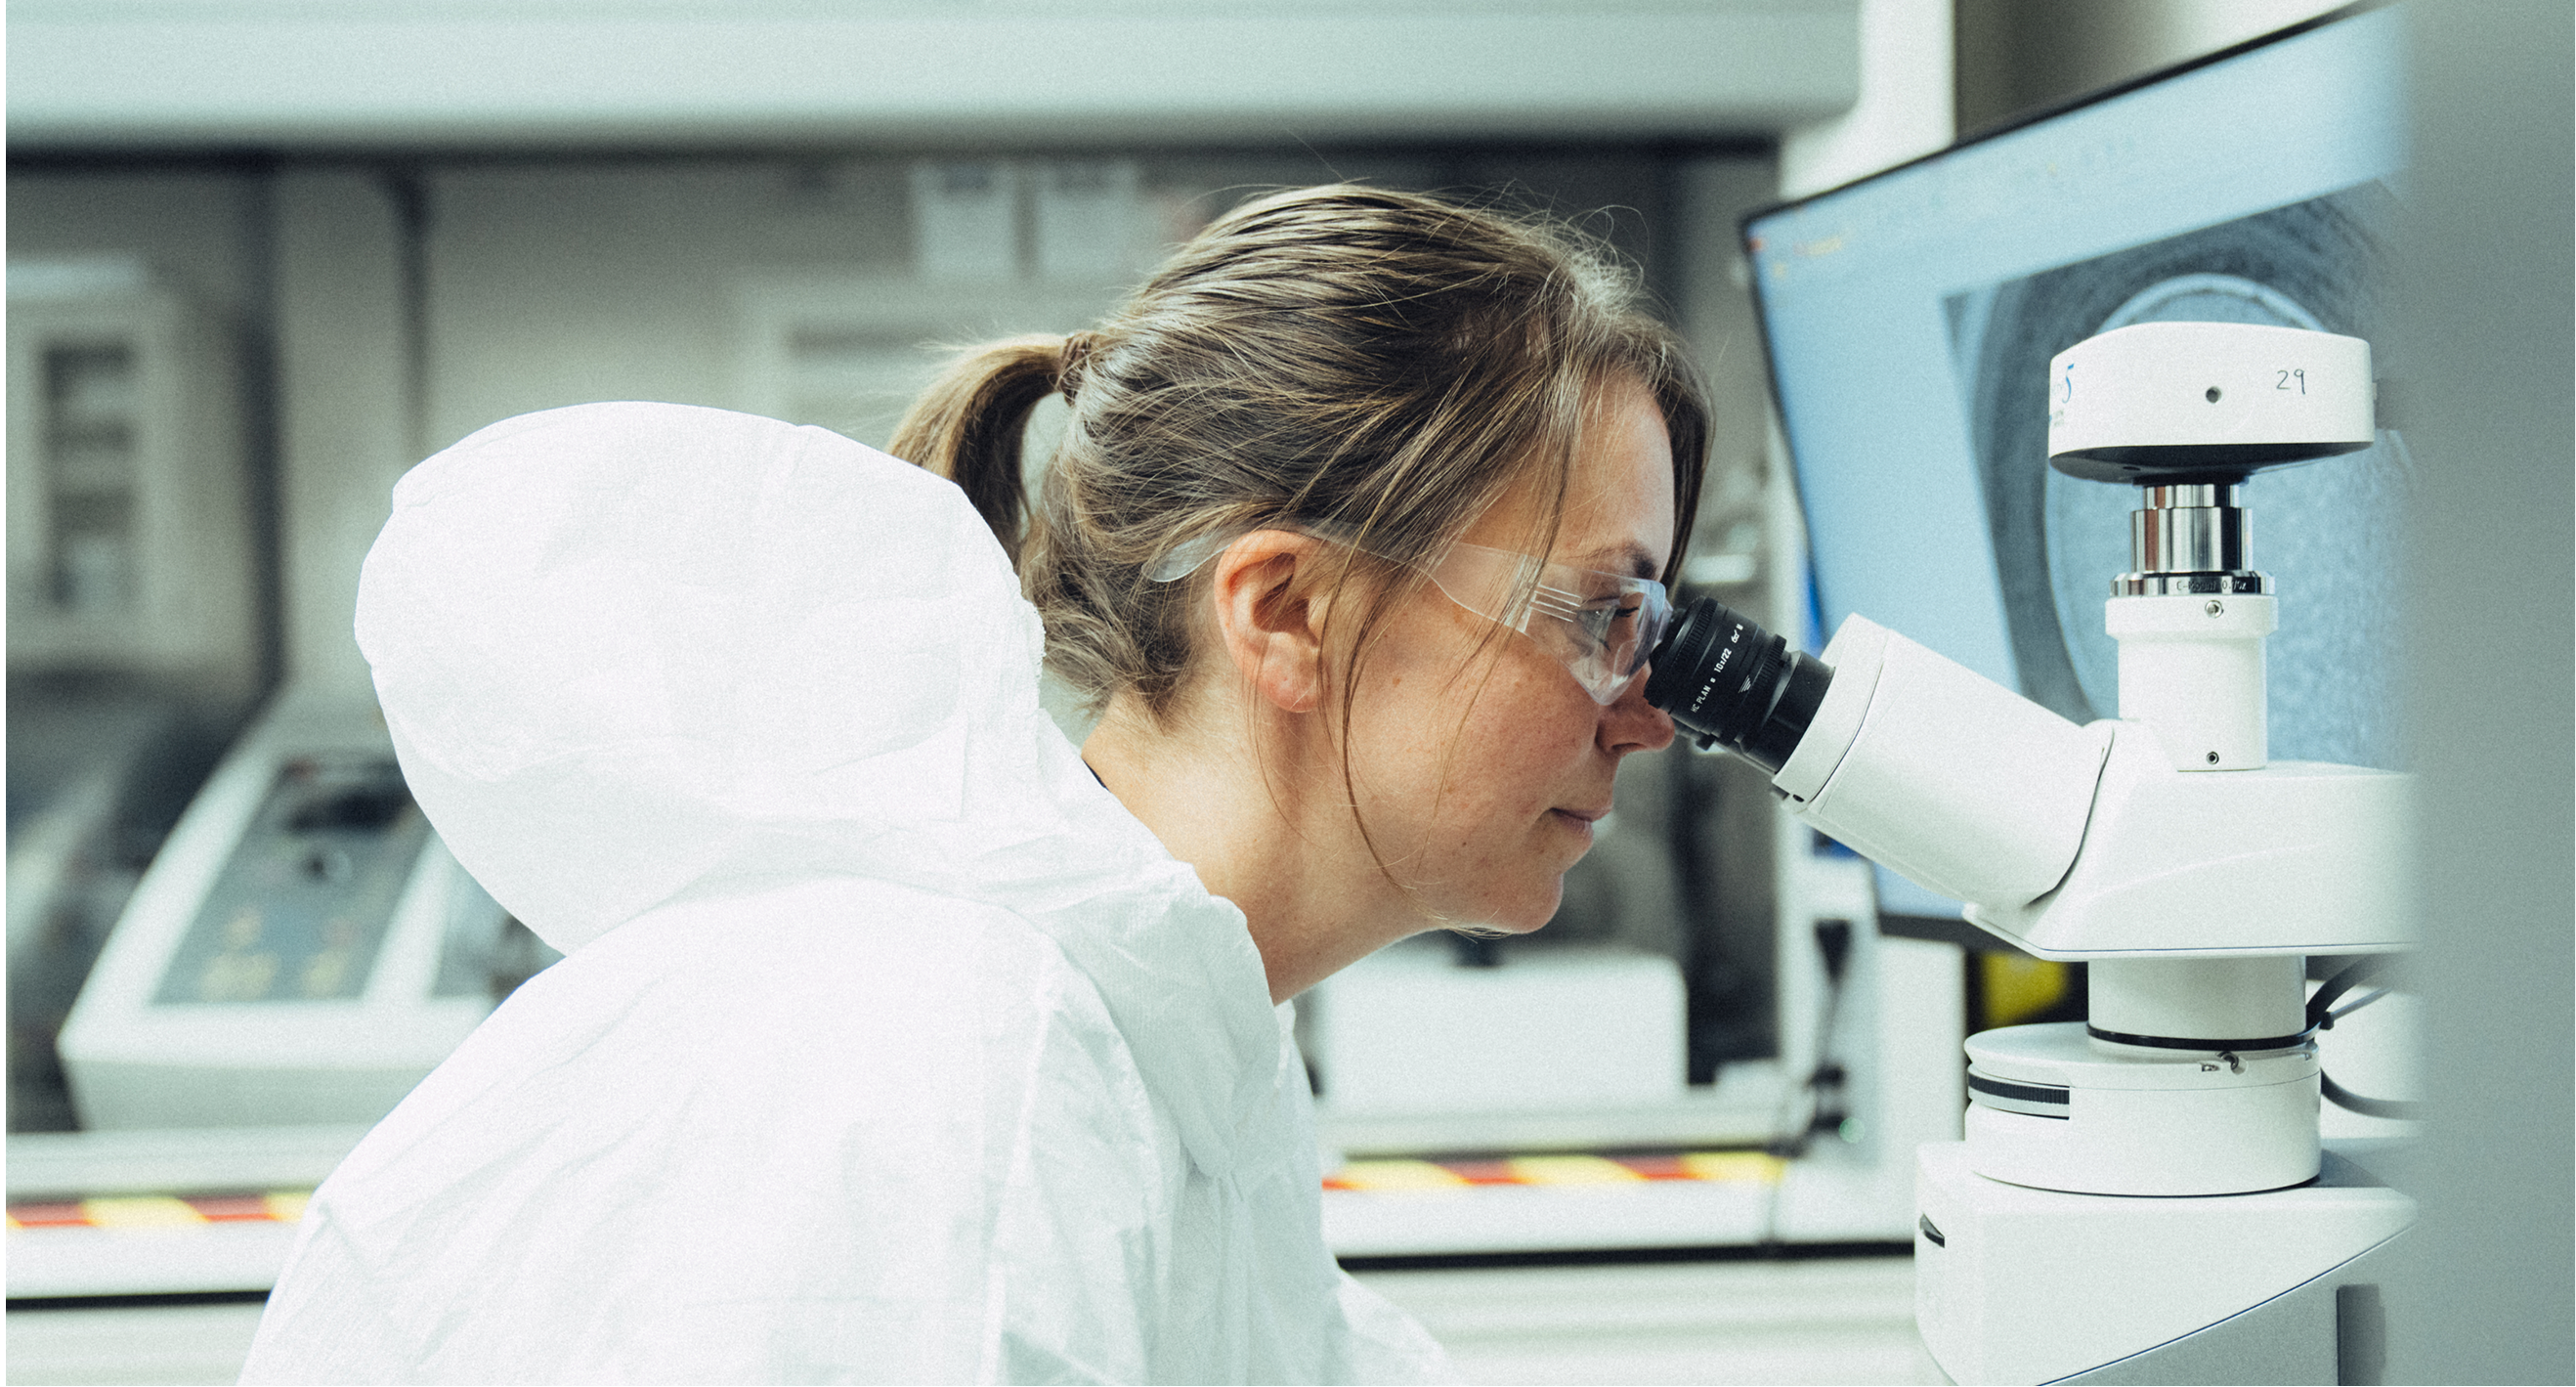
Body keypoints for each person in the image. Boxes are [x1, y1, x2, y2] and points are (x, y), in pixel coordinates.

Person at [239, 184, 1708, 1384]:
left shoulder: (1179, 1059)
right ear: (1284, 613)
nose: (1650, 715)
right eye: (1603, 614)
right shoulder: (955, 1071)